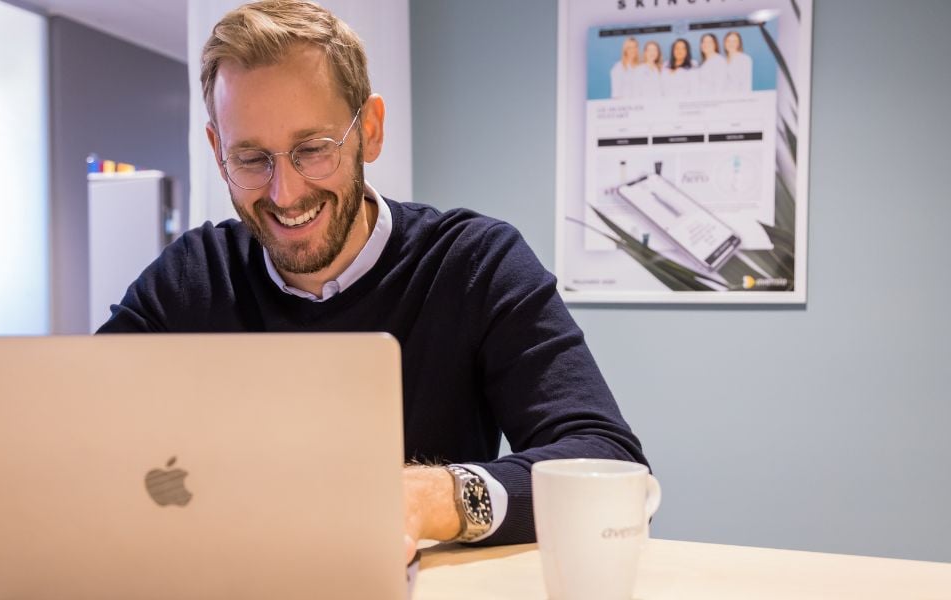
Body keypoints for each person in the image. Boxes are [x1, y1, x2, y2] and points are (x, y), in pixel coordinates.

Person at [98, 0, 647, 564]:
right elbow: (71, 433)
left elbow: (609, 463)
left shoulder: (474, 262)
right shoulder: (192, 277)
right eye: (252, 158)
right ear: (218, 152)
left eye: (313, 149)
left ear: (372, 130)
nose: (284, 194)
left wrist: (431, 496)